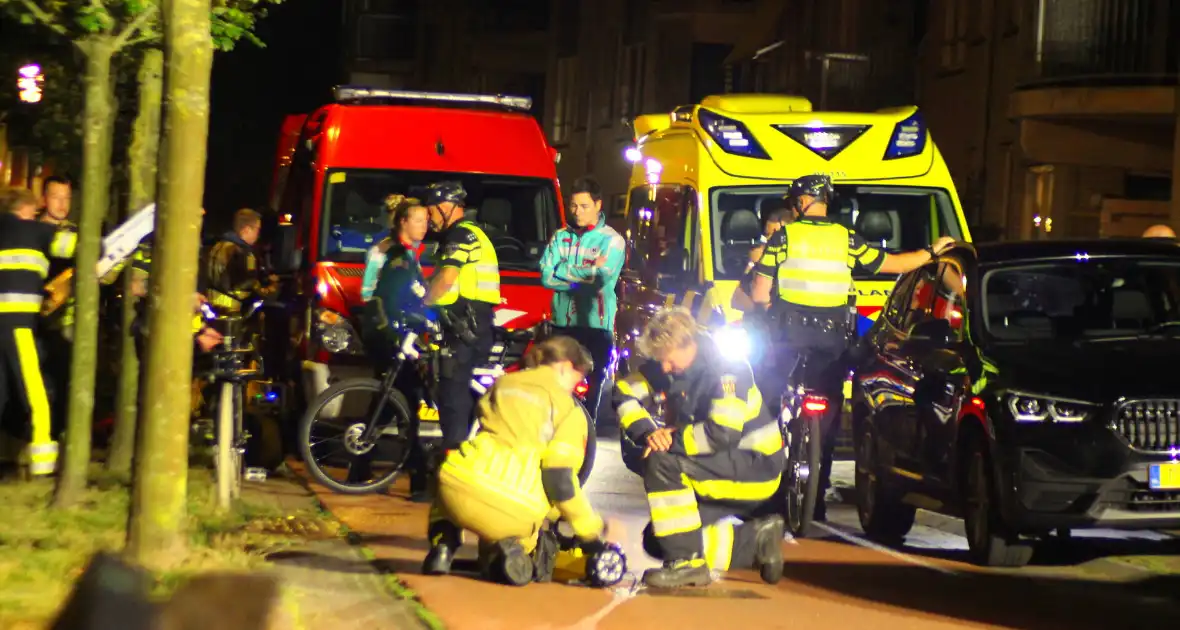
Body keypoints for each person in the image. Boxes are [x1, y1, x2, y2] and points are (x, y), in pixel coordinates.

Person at [749, 174, 955, 521]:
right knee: (826, 412)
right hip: (833, 341)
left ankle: (768, 490)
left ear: (801, 203)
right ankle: (816, 497)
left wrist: (771, 313)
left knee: (768, 402)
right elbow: (892, 264)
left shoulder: (784, 237)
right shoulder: (845, 238)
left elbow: (758, 294)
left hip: (788, 339)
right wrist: (933, 251)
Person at [613, 307, 787, 589]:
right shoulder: (672, 363)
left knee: (662, 461)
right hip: (721, 462)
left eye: (668, 360)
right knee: (661, 539)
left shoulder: (728, 370)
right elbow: (623, 391)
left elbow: (722, 433)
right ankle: (756, 541)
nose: (664, 368)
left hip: (756, 467)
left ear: (688, 344)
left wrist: (671, 438)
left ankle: (687, 565)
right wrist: (648, 433)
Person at [422, 336, 610, 585]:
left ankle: (442, 548)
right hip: (515, 508)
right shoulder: (569, 412)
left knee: (452, 472)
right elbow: (559, 480)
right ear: (565, 366)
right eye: (578, 378)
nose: (576, 386)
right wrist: (591, 533)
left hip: (459, 490)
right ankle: (509, 550)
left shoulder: (503, 384)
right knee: (524, 525)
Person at [0, 187, 81, 476]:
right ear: (26, 209)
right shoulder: (35, 231)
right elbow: (74, 249)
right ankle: (43, 461)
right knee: (35, 391)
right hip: (19, 321)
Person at [360, 196, 433, 502]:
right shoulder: (392, 253)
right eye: (418, 220)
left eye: (427, 221)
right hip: (391, 336)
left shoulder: (407, 252)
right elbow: (376, 292)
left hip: (394, 335)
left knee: (391, 401)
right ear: (402, 221)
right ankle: (417, 479)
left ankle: (360, 466)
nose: (425, 226)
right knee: (405, 400)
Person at [421, 181, 500, 451]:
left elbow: (446, 278)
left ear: (446, 207)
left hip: (468, 324)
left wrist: (422, 304)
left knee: (453, 392)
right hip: (470, 322)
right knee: (460, 390)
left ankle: (452, 455)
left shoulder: (462, 236)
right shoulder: (465, 234)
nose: (429, 220)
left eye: (431, 212)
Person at [539, 175, 626, 424]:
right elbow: (545, 276)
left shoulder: (612, 240)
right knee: (555, 387)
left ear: (599, 205)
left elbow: (602, 278)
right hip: (562, 324)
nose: (577, 212)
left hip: (596, 326)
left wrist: (564, 270)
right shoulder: (560, 236)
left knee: (591, 391)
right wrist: (585, 271)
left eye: (584, 206)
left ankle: (587, 437)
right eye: (573, 206)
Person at [202, 208, 279, 314]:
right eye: (257, 229)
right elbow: (246, 285)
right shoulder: (242, 253)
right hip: (233, 312)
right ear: (246, 230)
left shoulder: (216, 247)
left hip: (212, 309)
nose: (258, 235)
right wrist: (272, 288)